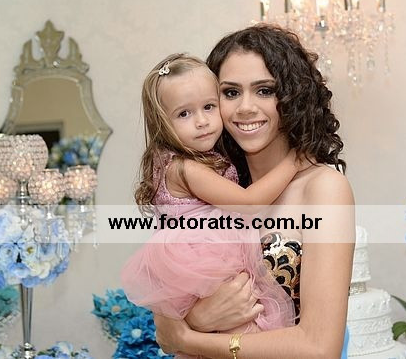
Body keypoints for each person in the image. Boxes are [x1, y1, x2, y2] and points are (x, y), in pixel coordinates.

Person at [153, 25, 356, 358]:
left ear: (292, 97)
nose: (245, 107)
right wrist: (198, 318)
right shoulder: (210, 189)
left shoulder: (323, 188)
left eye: (264, 90)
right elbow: (166, 326)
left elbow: (320, 348)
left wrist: (191, 339)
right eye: (231, 92)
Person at [120, 53, 300, 342]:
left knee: (240, 320)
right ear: (162, 123)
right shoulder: (185, 167)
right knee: (247, 326)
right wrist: (295, 160)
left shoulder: (193, 159)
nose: (202, 121)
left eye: (209, 106)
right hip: (204, 255)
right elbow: (250, 203)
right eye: (184, 114)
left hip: (200, 254)